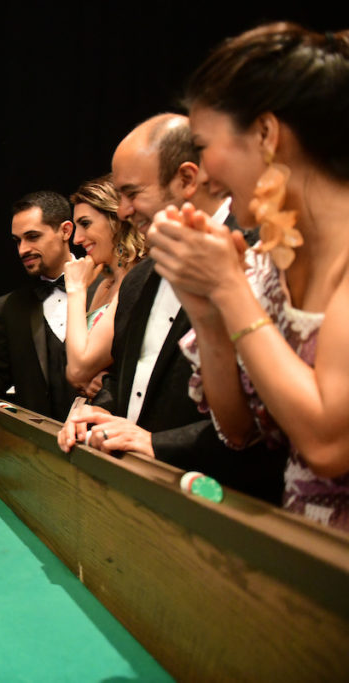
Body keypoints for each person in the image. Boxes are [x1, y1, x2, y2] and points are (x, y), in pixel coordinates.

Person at [146, 24, 349, 529]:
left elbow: (327, 445)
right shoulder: (268, 265)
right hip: (305, 564)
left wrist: (229, 289)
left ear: (265, 134)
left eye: (203, 144)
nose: (203, 173)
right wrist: (207, 314)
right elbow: (239, 433)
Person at [58, 114, 284, 504]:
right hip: (142, 503)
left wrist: (159, 444)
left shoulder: (263, 256)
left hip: (229, 509)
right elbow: (125, 377)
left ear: (186, 179)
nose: (124, 211)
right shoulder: (139, 277)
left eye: (132, 193)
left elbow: (268, 423)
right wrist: (94, 413)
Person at [0, 191, 79, 421]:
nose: (22, 249)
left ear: (65, 231)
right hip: (34, 443)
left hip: (98, 444)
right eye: (18, 240)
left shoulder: (106, 290)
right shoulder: (9, 306)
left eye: (33, 236)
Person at [63, 176, 144, 397]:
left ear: (115, 220)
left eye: (85, 223)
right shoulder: (105, 286)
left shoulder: (136, 280)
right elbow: (76, 366)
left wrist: (76, 289)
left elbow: (78, 369)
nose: (77, 239)